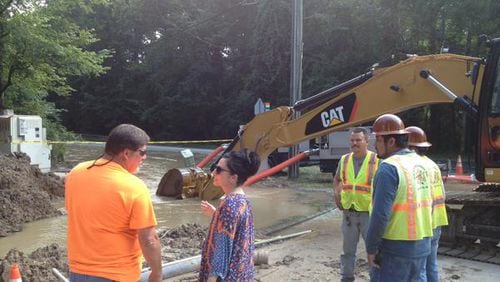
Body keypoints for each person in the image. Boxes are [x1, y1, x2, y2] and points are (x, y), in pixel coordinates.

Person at [65, 124, 162, 282]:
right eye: (142, 152)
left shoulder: (75, 173)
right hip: (116, 275)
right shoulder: (134, 187)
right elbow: (149, 239)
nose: (145, 157)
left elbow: (77, 214)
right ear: (126, 153)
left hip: (78, 273)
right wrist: (157, 273)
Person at [365, 114, 434, 282]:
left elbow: (380, 215)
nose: (375, 146)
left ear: (391, 141)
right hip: (423, 244)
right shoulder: (424, 163)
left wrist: (371, 248)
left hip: (395, 249)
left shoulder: (389, 168)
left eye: (379, 140)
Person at [199, 149, 260, 282]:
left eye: (219, 170)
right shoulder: (241, 200)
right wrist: (216, 214)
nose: (214, 172)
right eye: (215, 167)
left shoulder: (229, 205)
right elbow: (237, 231)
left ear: (233, 177)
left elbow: (222, 251)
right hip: (242, 274)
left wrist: (212, 278)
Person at [333, 127, 379, 282]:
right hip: (349, 214)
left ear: (367, 141)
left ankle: (376, 277)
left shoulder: (376, 160)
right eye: (352, 140)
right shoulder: (344, 159)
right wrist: (337, 196)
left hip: (368, 214)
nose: (355, 143)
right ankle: (346, 278)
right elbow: (338, 179)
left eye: (358, 140)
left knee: (373, 250)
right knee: (347, 251)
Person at [406, 126, 448, 282]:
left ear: (410, 147)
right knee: (431, 264)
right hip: (437, 221)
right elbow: (442, 194)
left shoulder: (416, 167)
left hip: (424, 223)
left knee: (419, 269)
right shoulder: (432, 165)